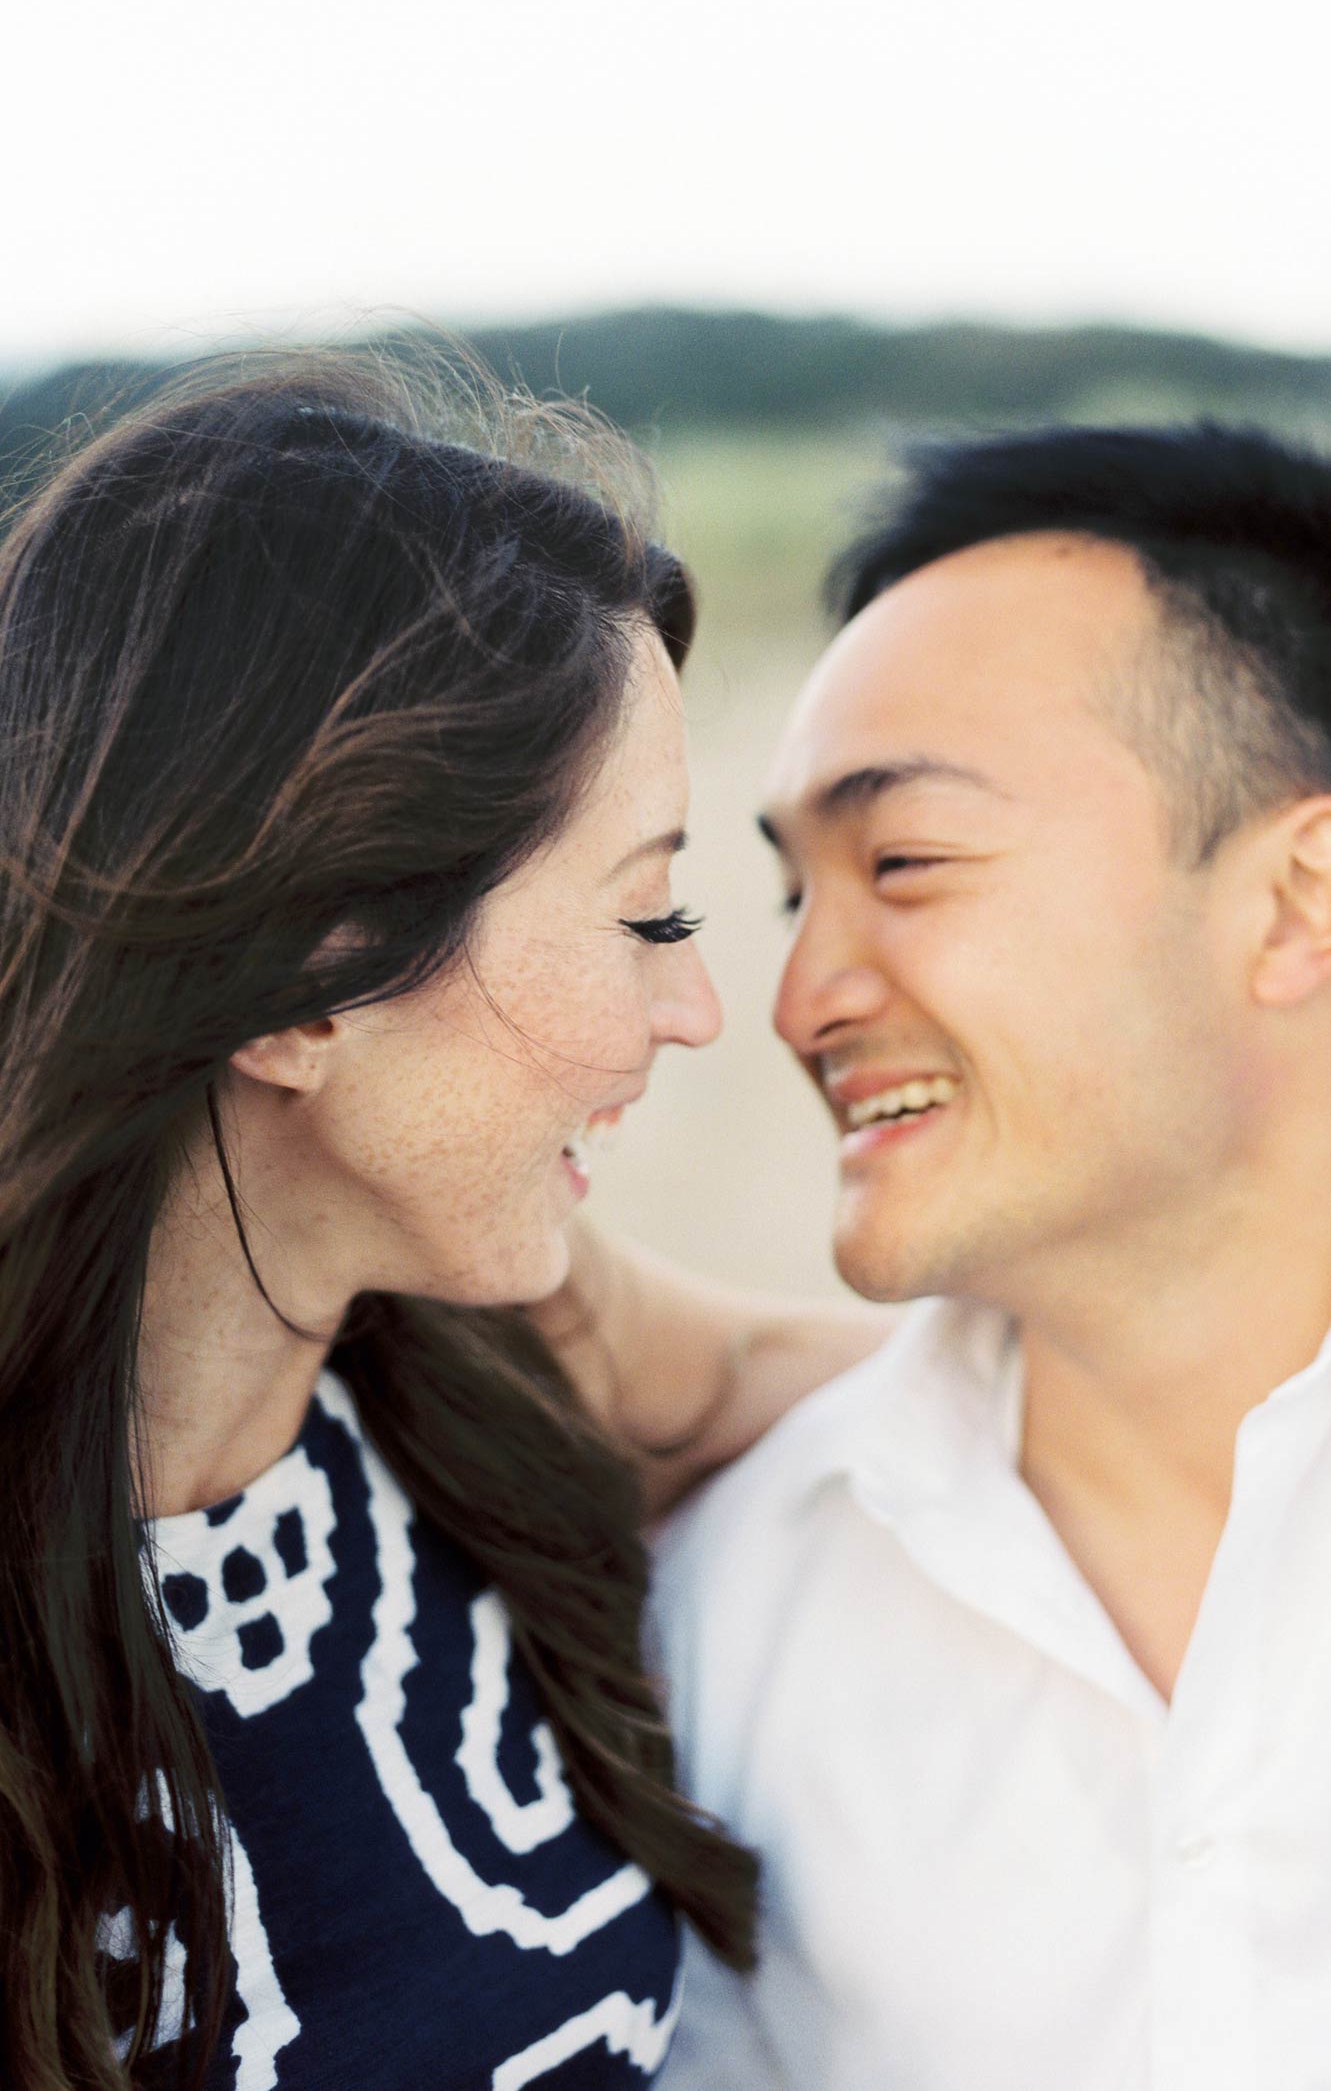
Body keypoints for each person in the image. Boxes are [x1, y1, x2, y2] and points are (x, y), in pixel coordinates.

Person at [644, 422, 1331, 2090]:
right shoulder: (734, 1600)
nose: (799, 999)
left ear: (1304, 900)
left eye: (909, 863)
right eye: (797, 892)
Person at [0, 355, 890, 2091]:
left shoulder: (500, 1352)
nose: (704, 1005)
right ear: (311, 977)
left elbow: (1023, 1377)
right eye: (648, 913)